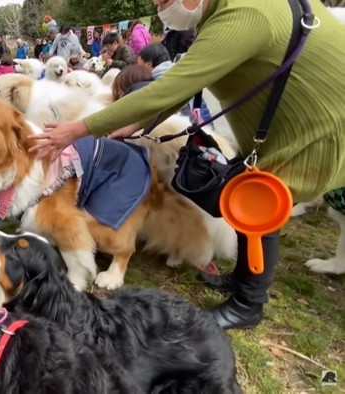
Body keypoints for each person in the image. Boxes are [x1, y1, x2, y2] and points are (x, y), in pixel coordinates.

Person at [29, 0, 345, 330]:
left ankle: (247, 305)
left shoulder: (246, 13)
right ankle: (242, 282)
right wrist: (142, 124)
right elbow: (184, 86)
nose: (161, 6)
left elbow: (171, 87)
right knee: (251, 197)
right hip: (297, 122)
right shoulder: (227, 13)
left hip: (323, 125)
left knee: (261, 208)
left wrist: (79, 128)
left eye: (165, 0)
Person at [138, 43, 213, 126]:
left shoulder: (159, 83)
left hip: (191, 129)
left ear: (148, 64)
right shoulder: (179, 72)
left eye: (139, 65)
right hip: (205, 124)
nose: (137, 69)